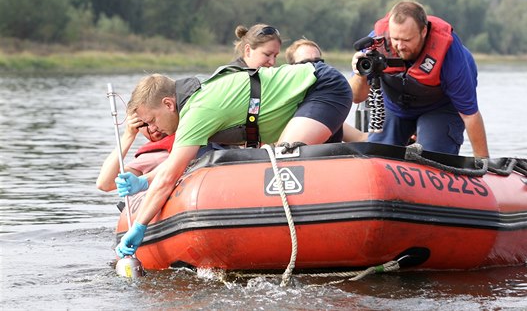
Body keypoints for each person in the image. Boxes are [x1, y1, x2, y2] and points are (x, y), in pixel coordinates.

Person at [114, 62, 352, 258]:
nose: (153, 128)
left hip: (321, 87)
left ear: (168, 104)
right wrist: (143, 182)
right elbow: (179, 161)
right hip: (306, 95)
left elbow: (169, 177)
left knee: (283, 161)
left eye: (152, 120)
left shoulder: (197, 110)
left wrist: (139, 226)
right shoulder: (193, 104)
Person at [349, 0, 489, 158]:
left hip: (439, 108)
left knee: (432, 158)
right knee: (375, 155)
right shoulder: (375, 43)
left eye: (407, 40)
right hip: (394, 105)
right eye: (395, 39)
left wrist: (483, 163)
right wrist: (360, 74)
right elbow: (356, 97)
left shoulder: (450, 55)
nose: (399, 46)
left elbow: (470, 115)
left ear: (423, 31)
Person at [285, 38, 368, 143]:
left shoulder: (327, 110)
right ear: (290, 68)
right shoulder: (283, 108)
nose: (314, 67)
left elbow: (360, 138)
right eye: (305, 63)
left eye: (318, 62)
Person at [96, 112, 174, 192]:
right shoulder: (151, 157)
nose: (152, 128)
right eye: (143, 124)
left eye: (154, 120)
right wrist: (129, 135)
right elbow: (105, 183)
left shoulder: (184, 138)